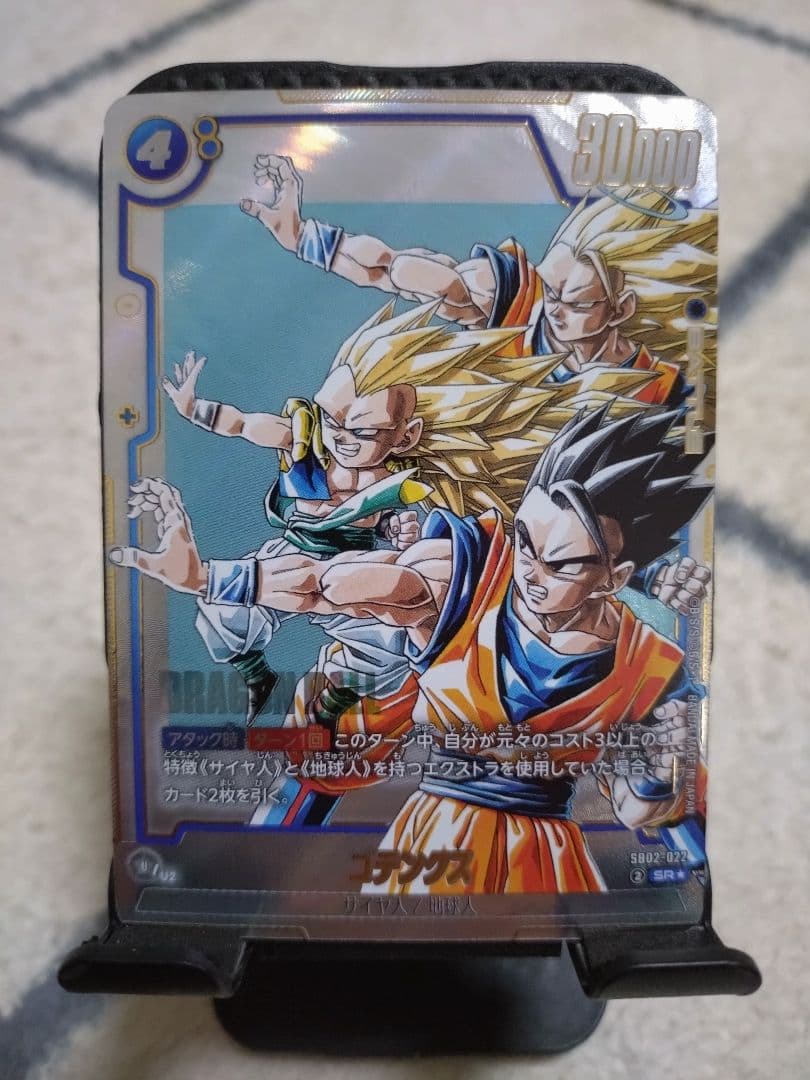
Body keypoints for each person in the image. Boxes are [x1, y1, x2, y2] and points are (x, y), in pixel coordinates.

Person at [111, 405, 711, 893]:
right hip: (434, 846)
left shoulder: (649, 666)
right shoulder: (471, 574)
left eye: (559, 564)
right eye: (525, 541)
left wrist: (661, 774)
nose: (529, 570)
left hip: (549, 865)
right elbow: (332, 584)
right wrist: (209, 578)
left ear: (614, 576)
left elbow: (634, 808)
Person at [241, 155, 717, 412]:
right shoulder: (516, 304)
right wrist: (304, 238)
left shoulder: (661, 387)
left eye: (576, 303)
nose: (555, 310)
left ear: (620, 309)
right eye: (553, 293)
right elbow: (391, 269)